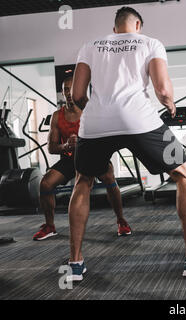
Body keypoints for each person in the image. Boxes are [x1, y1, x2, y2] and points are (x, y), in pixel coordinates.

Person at [68, 6, 186, 281]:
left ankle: (75, 263)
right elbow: (161, 88)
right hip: (139, 120)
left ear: (114, 29)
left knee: (82, 181)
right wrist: (168, 102)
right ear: (138, 25)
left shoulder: (90, 45)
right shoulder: (150, 43)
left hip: (96, 122)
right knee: (183, 174)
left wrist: (99, 112)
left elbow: (77, 94)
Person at [33, 76, 132, 241]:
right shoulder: (57, 117)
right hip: (70, 158)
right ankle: (49, 226)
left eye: (72, 89)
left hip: (93, 155)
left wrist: (86, 143)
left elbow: (105, 139)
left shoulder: (91, 111)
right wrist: (66, 146)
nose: (69, 93)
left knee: (109, 177)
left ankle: (121, 220)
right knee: (45, 183)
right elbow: (51, 148)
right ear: (63, 93)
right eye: (65, 90)